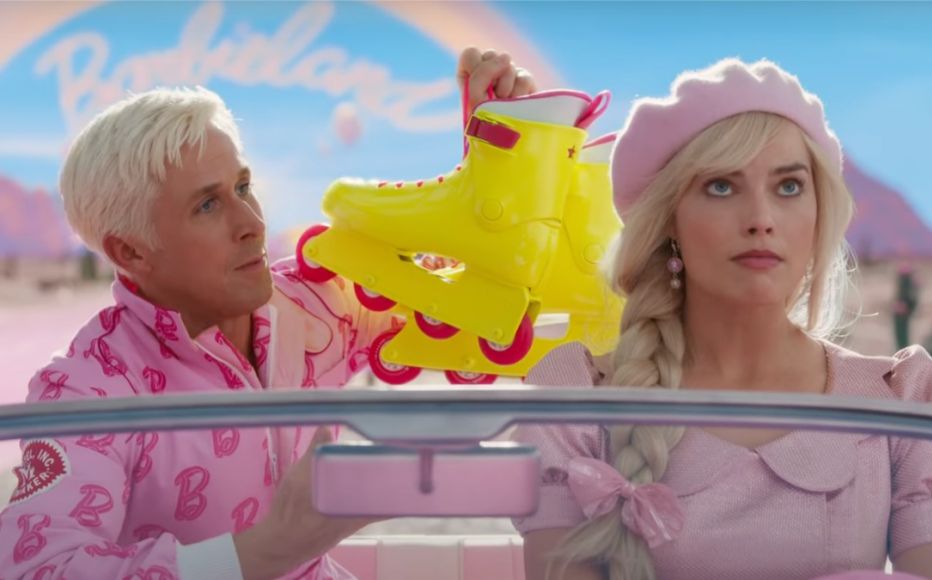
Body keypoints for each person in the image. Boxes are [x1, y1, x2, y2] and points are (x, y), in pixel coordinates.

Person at [0, 47, 536, 580]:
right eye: (207, 204)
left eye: (243, 186)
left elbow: (471, 297)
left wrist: (504, 161)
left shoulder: (316, 301)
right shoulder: (86, 390)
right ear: (131, 252)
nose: (252, 223)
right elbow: (36, 569)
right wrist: (269, 549)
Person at [513, 58, 932, 580]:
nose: (761, 220)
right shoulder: (576, 401)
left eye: (789, 186)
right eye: (721, 186)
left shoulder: (898, 399)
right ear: (669, 220)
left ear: (820, 213)